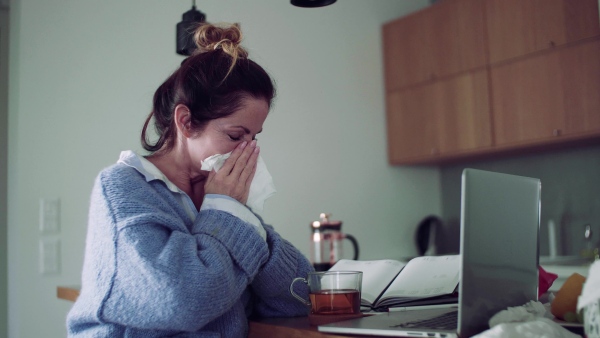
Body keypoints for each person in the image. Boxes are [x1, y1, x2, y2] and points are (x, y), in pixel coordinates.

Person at [67, 22, 314, 337]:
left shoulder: (223, 195)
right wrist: (229, 214)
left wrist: (250, 228)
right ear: (185, 121)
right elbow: (181, 302)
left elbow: (301, 297)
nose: (248, 150)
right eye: (236, 135)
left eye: (254, 136)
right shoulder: (123, 188)